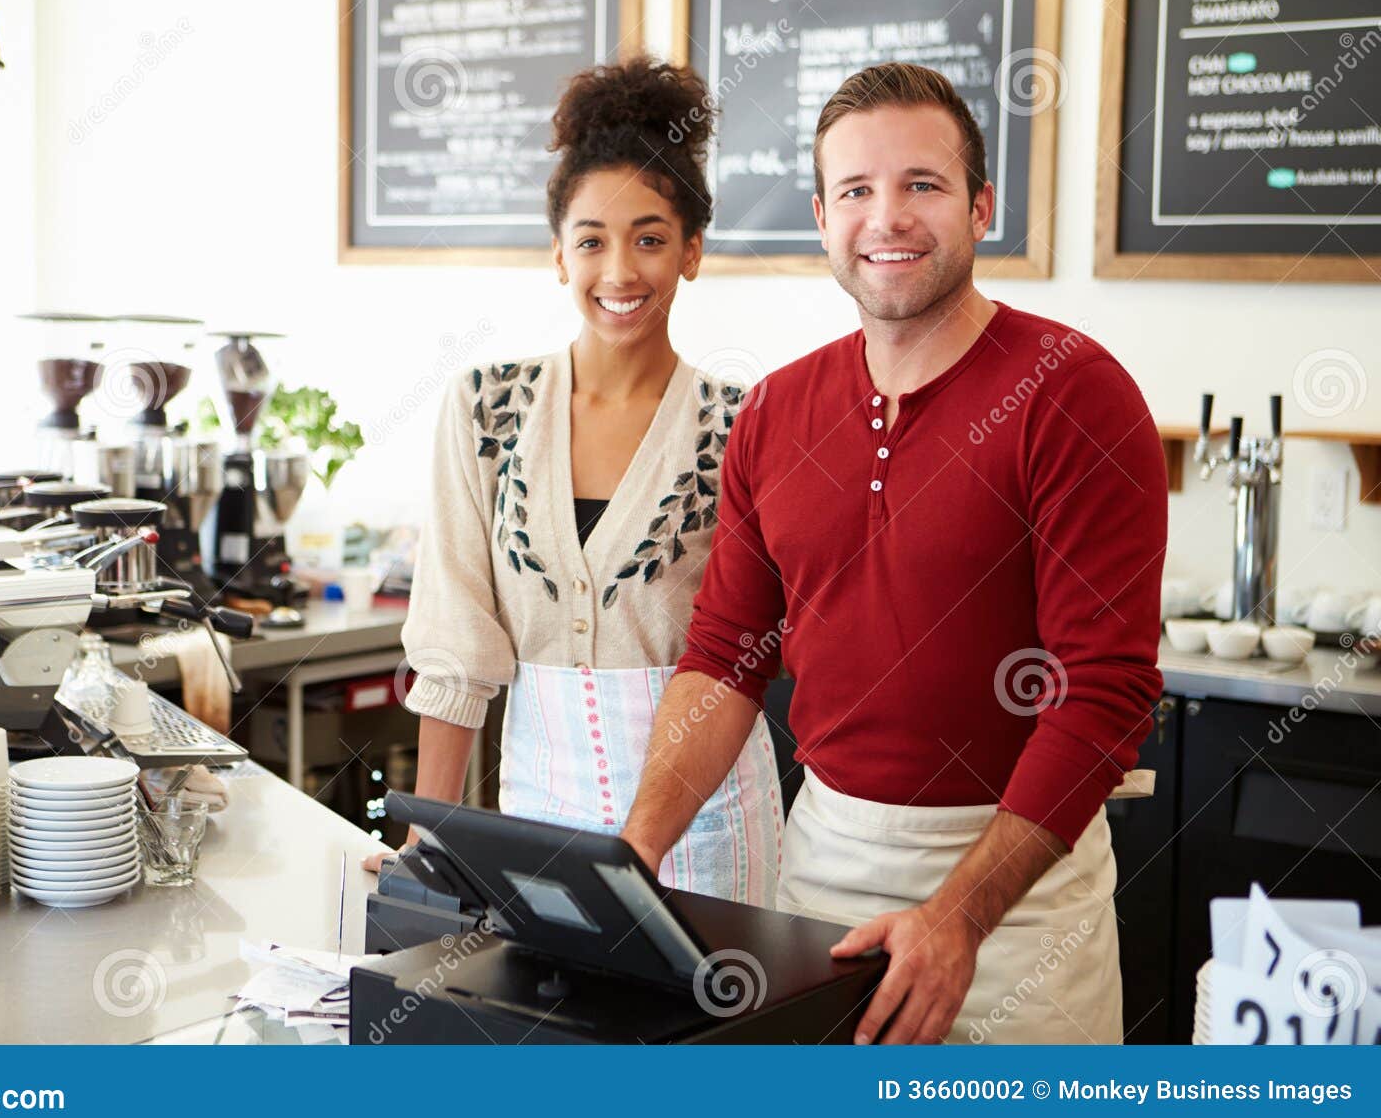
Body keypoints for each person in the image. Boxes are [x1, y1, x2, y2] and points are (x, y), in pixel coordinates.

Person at [620, 62, 1167, 1041]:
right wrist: (634, 849)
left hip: (1019, 905)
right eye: (857, 191)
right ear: (823, 218)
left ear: (980, 207)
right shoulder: (775, 412)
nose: (889, 217)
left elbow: (1105, 691)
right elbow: (724, 654)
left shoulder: (1073, 394)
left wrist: (957, 916)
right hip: (824, 872)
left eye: (922, 184)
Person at [381, 57, 783, 906]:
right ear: (558, 254)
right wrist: (426, 839)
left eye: (650, 237)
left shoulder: (745, 423)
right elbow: (457, 646)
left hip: (707, 829)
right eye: (592, 240)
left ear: (693, 252)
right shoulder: (485, 409)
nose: (620, 272)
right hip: (538, 816)